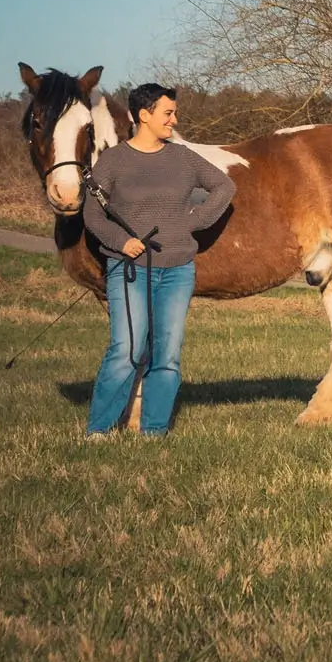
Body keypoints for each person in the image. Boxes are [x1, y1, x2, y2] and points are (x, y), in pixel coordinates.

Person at [81, 82, 236, 438]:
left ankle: (154, 430)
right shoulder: (113, 161)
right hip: (129, 270)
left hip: (178, 271)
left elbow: (225, 186)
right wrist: (122, 242)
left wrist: (192, 221)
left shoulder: (182, 157)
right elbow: (93, 215)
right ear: (144, 115)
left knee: (167, 355)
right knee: (127, 349)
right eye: (168, 113)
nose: (174, 119)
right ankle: (99, 430)